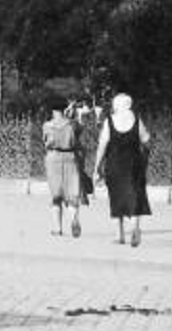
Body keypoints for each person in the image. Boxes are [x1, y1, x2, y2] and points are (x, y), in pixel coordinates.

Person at [94, 93, 151, 246]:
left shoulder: (109, 122)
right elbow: (146, 140)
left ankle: (119, 235)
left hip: (114, 164)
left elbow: (102, 146)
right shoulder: (137, 120)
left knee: (116, 196)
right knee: (136, 194)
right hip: (134, 163)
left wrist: (96, 167)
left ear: (116, 105)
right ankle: (135, 228)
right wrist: (144, 153)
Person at [41, 99, 84, 237]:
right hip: (70, 157)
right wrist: (71, 115)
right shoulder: (72, 124)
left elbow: (45, 141)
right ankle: (74, 219)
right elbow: (80, 130)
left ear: (53, 111)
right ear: (64, 109)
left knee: (56, 196)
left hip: (53, 158)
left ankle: (57, 228)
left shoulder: (47, 125)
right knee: (72, 194)